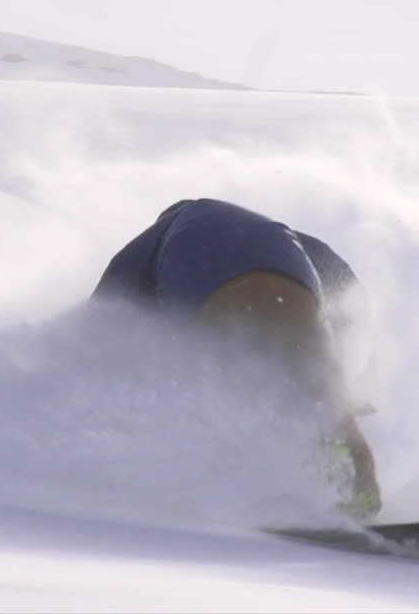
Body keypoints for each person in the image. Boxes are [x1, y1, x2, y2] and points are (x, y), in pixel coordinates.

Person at [91, 198, 381, 519]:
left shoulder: (154, 243)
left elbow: (103, 321)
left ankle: (240, 495)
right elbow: (351, 296)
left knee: (216, 403)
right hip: (292, 282)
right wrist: (354, 382)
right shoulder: (282, 233)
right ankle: (360, 495)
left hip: (220, 293)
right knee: (325, 405)